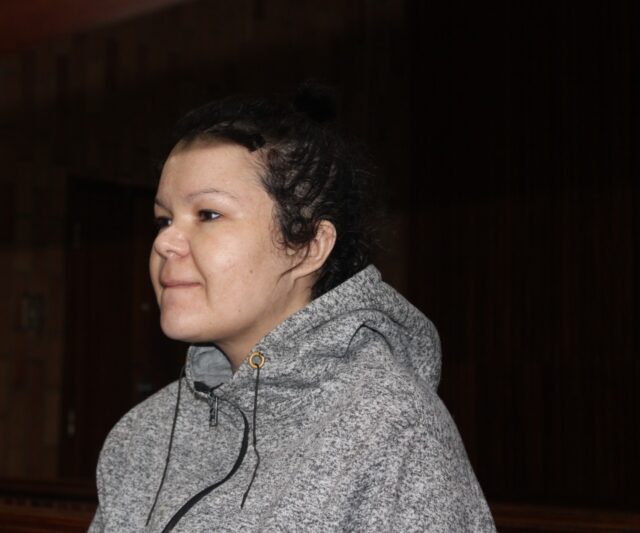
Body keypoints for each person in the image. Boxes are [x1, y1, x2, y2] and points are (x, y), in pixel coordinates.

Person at [88, 85, 496, 532]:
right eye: (164, 219)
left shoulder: (389, 428)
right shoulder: (141, 435)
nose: (164, 242)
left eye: (208, 214)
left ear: (308, 247)